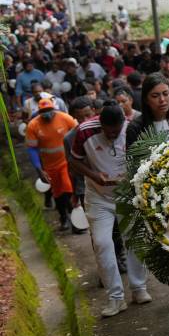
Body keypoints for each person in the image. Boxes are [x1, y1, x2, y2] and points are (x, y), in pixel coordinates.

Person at [70, 102, 152, 318]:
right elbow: (73, 162)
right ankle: (115, 297)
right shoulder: (84, 131)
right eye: (109, 131)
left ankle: (138, 288)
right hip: (99, 196)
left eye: (117, 130)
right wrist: (94, 175)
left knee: (133, 240)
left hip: (127, 193)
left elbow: (145, 158)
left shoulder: (132, 128)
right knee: (102, 243)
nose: (113, 134)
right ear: (100, 124)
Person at [26, 98, 78, 230]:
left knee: (68, 189)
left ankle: (75, 219)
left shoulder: (66, 118)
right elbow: (32, 149)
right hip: (48, 166)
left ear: (54, 109)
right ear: (39, 112)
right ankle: (63, 217)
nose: (46, 113)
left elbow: (78, 134)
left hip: (66, 162)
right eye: (43, 111)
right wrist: (38, 169)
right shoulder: (33, 125)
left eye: (49, 110)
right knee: (58, 193)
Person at [126, 73, 169, 146]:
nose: (162, 100)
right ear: (146, 99)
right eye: (155, 96)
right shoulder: (135, 128)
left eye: (165, 94)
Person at [63, 96, 94, 235]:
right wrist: (75, 193)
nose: (85, 121)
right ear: (74, 117)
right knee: (95, 227)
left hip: (109, 185)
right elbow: (72, 168)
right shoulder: (69, 138)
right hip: (84, 188)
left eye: (88, 115)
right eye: (80, 118)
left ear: (94, 111)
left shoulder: (104, 130)